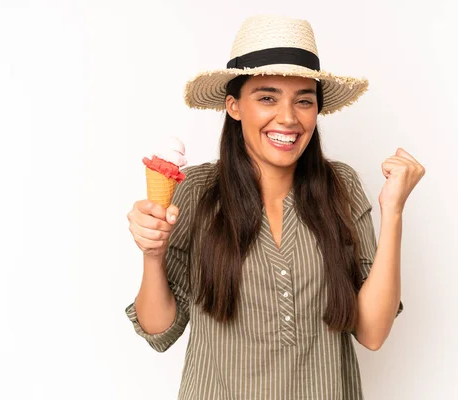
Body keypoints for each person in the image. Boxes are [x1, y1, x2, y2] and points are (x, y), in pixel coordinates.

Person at [125, 14, 425, 400]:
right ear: (234, 106)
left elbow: (372, 332)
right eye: (267, 97)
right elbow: (158, 329)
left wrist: (393, 210)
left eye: (304, 101)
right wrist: (152, 255)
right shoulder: (197, 192)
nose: (288, 117)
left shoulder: (341, 188)